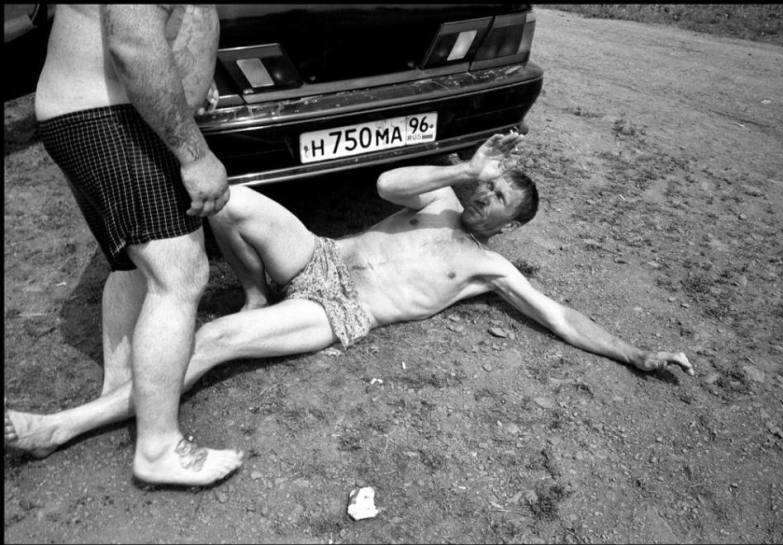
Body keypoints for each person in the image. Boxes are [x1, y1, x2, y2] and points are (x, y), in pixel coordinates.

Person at [4, 132, 695, 461]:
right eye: (486, 188)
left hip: (339, 309)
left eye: (495, 201)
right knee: (228, 198)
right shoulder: (438, 208)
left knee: (211, 343)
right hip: (323, 257)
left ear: (510, 225)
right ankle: (250, 293)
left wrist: (633, 354)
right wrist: (462, 167)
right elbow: (387, 186)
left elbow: (561, 316)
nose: (481, 199)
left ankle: (60, 426)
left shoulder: (487, 268)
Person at [30, 5, 242, 486]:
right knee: (181, 275)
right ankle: (158, 448)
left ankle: (122, 391)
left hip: (82, 112)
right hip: (106, 117)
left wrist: (189, 79)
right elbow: (133, 41)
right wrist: (194, 154)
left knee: (131, 264)